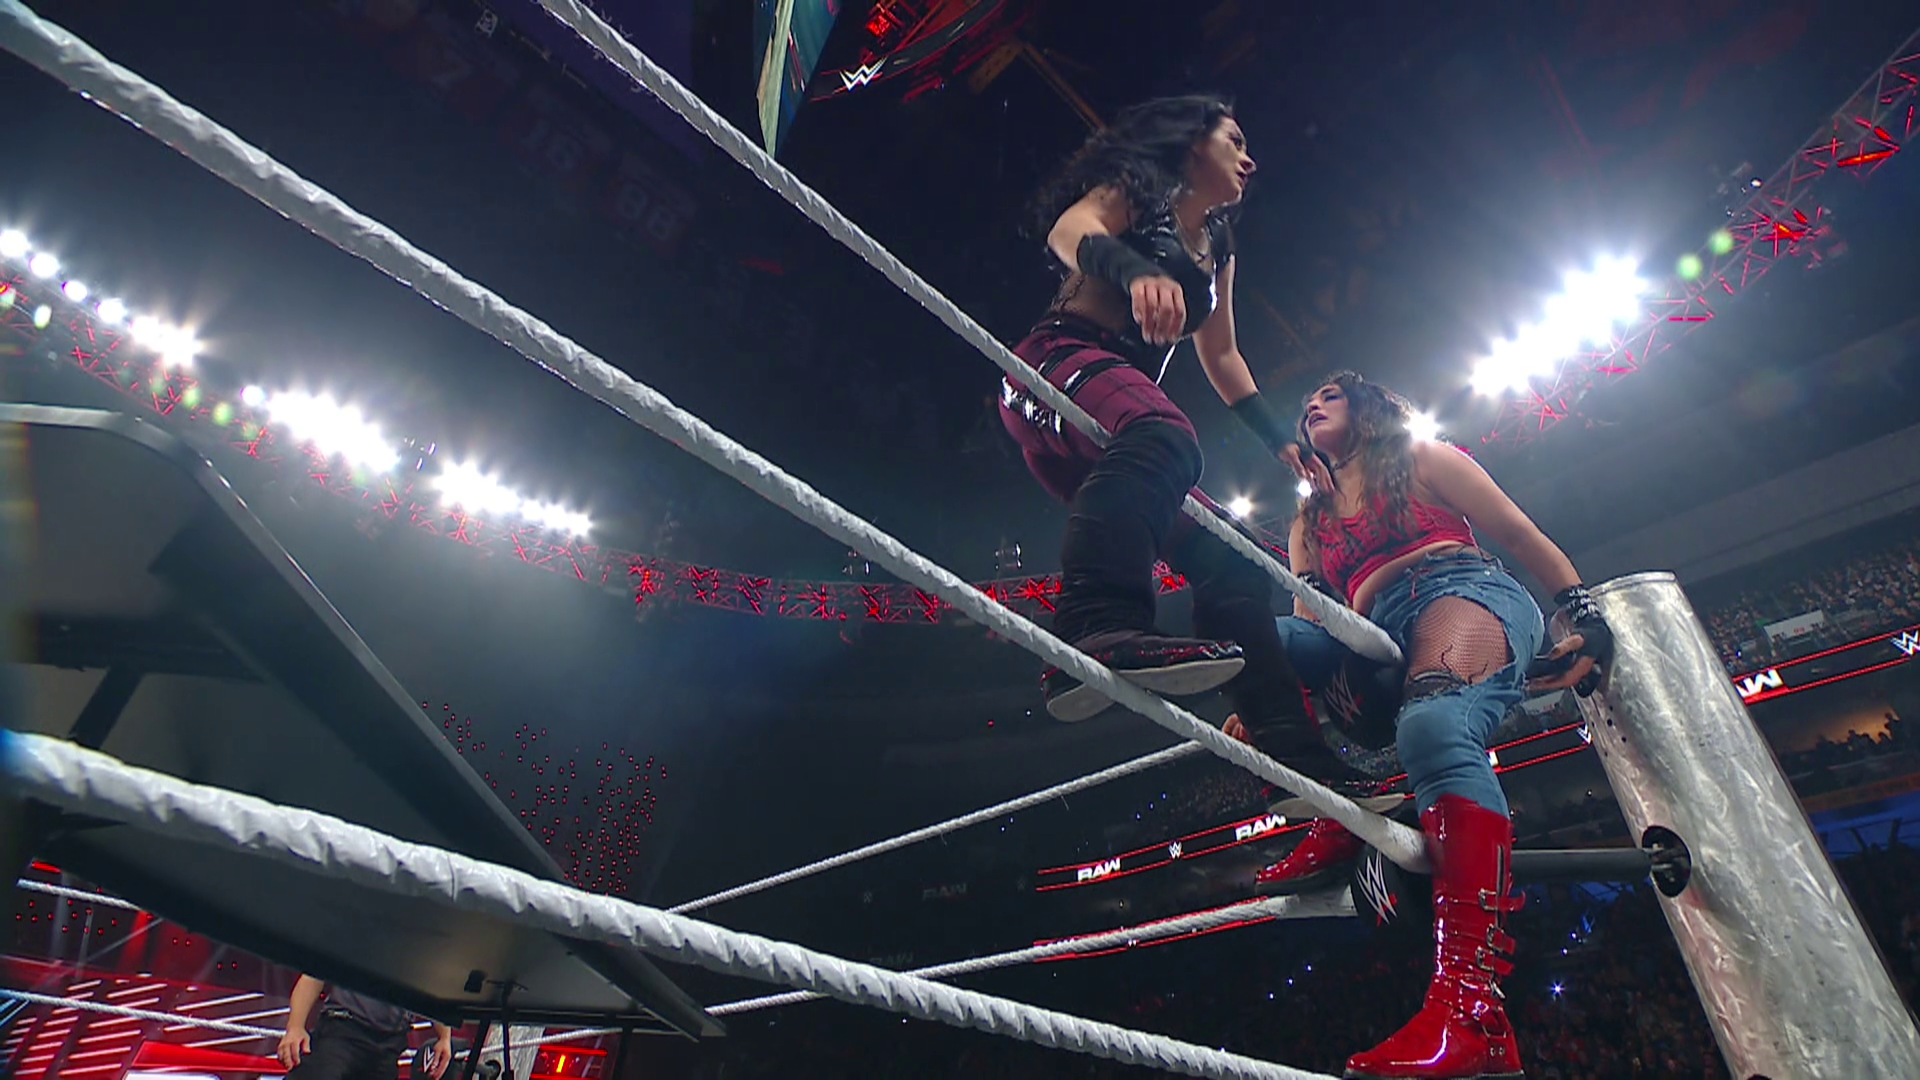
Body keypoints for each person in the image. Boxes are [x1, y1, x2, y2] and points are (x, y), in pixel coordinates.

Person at [1226, 372, 1609, 1080]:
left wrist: (1582, 612)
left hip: (1460, 591)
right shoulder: (1308, 522)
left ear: (1370, 407)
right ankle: (1340, 811)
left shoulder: (1421, 457)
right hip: (1370, 640)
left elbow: (1516, 531)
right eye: (1306, 403)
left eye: (1330, 395)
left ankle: (1470, 1008)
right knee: (1248, 637)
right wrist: (1266, 696)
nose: (1312, 405)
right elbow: (1310, 626)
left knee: (1433, 729)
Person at [1001, 95, 1366, 785]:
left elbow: (1221, 355)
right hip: (1053, 369)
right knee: (1169, 435)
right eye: (1234, 140)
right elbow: (1069, 229)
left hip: (1120, 432)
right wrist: (1134, 269)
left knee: (1234, 560)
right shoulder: (1144, 191)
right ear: (1192, 140)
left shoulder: (1218, 244)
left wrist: (1279, 440)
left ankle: (1293, 757)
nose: (1249, 159)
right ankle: (1094, 626)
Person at [278, 974, 454, 1080]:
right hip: (344, 1031)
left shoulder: (420, 941)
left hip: (389, 1045)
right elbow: (314, 974)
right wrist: (295, 1026)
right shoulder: (359, 928)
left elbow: (433, 985)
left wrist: (445, 1037)